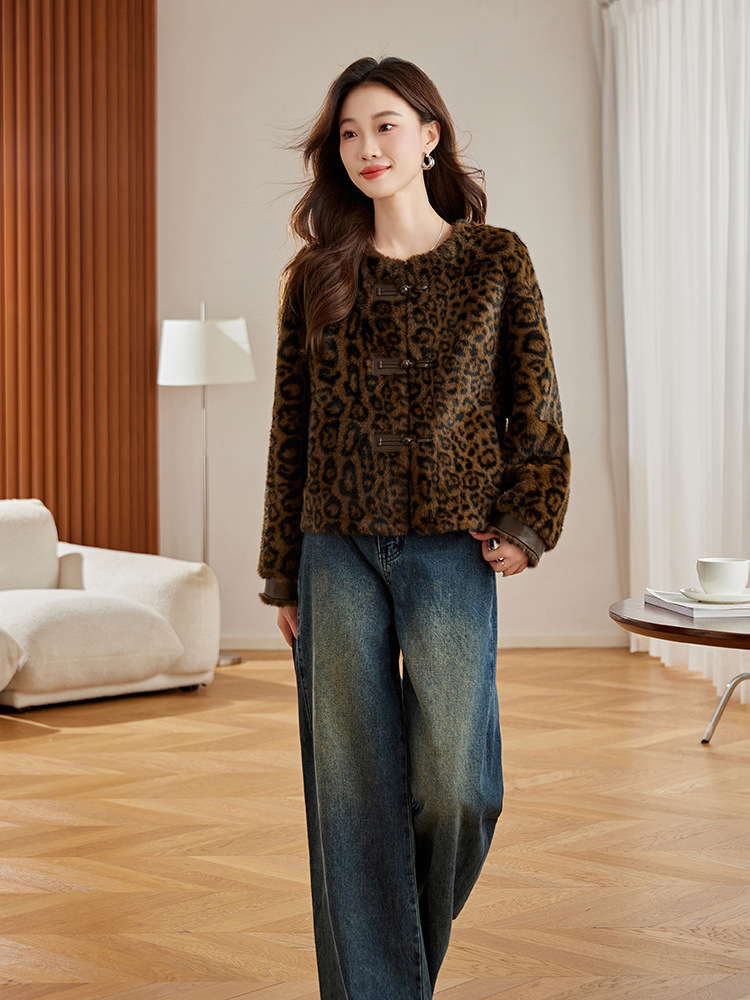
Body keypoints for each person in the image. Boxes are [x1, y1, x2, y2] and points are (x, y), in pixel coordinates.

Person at [258, 55, 570, 1000]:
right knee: (350, 797)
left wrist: (528, 521)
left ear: (430, 135)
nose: (366, 147)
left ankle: (385, 976)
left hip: (451, 549)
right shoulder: (317, 275)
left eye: (385, 126)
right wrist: (283, 572)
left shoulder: (495, 259)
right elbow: (290, 429)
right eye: (349, 133)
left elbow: (536, 408)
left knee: (459, 789)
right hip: (336, 549)